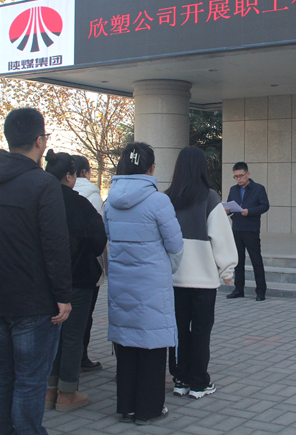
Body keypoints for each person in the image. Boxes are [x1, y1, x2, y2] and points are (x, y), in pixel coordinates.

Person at [0, 108, 72, 435]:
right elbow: (55, 244)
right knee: (30, 380)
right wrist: (63, 295)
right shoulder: (43, 184)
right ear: (40, 141)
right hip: (32, 301)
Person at [104, 142, 183, 425]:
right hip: (152, 286)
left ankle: (126, 407)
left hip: (120, 283)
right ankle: (148, 409)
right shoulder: (158, 201)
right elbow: (175, 245)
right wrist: (164, 269)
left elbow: (109, 238)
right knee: (152, 345)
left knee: (126, 344)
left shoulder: (110, 201)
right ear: (151, 168)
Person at [165, 146, 237, 399]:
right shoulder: (210, 198)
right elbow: (221, 237)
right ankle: (199, 383)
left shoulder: (167, 199)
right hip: (203, 281)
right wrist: (227, 270)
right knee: (201, 332)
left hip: (174, 279)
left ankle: (180, 379)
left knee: (178, 331)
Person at [43, 150, 107, 412]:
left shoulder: (38, 199)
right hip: (77, 279)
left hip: (44, 279)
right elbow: (98, 240)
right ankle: (67, 393)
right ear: (70, 176)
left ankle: (49, 390)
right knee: (72, 336)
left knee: (51, 335)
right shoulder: (79, 204)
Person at [71, 154, 106, 373]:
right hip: (85, 268)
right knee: (83, 317)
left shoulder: (51, 192)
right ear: (85, 172)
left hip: (56, 268)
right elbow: (100, 235)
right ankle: (80, 358)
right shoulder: (92, 196)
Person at [225, 162, 270, 301]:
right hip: (237, 228)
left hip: (251, 229)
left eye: (241, 176)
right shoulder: (233, 190)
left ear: (248, 174)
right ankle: (238, 289)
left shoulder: (258, 189)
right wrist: (226, 211)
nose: (238, 179)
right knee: (238, 261)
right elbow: (229, 205)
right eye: (236, 177)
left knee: (256, 260)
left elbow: (265, 206)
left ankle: (260, 291)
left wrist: (250, 211)